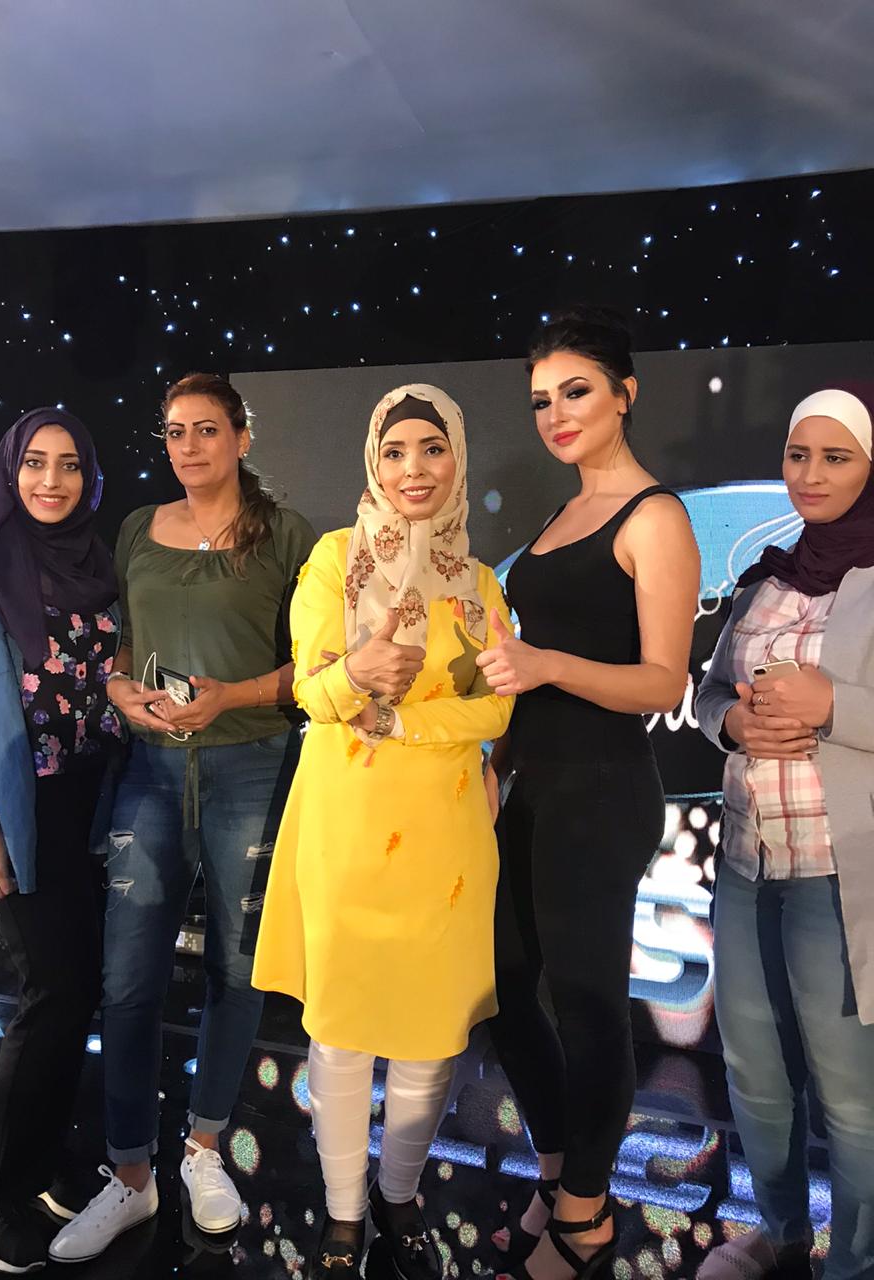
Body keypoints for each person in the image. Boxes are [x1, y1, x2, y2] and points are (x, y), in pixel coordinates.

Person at [49, 373, 315, 1263]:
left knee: (239, 971)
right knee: (128, 979)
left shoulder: (289, 536)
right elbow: (123, 644)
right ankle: (131, 1176)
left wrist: (231, 695)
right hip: (152, 775)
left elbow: (318, 665)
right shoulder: (136, 528)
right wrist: (121, 686)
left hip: (254, 767)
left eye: (206, 429)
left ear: (242, 436)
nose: (189, 446)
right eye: (174, 431)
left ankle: (203, 1149)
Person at [252, 383, 514, 1279]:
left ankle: (399, 1196)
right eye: (395, 450)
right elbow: (310, 692)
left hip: (445, 839)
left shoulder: (479, 584)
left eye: (432, 450)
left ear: (457, 460)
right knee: (342, 1030)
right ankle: (343, 1213)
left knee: (429, 1034)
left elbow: (496, 712)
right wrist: (356, 674)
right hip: (348, 828)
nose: (413, 469)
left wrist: (403, 720)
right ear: (373, 460)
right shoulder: (335, 559)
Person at [477, 306, 699, 1280]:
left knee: (587, 1002)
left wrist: (546, 663)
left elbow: (662, 681)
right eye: (541, 400)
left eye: (576, 391)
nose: (557, 414)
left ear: (625, 394)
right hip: (531, 784)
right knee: (500, 991)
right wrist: (497, 760)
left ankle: (586, 1215)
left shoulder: (655, 516)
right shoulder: (561, 514)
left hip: (602, 791)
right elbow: (525, 666)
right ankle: (561, 1166)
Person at [0, 408, 123, 1274]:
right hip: (16, 808)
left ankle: (39, 1169)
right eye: (35, 463)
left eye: (69, 464)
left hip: (89, 803)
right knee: (52, 989)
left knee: (77, 994)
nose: (52, 480)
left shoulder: (96, 563)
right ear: (10, 471)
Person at [695, 389, 874, 1280]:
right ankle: (780, 1233)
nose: (811, 474)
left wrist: (832, 702)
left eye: (836, 458)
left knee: (850, 1094)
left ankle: (854, 1261)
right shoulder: (767, 575)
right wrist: (731, 722)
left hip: (839, 874)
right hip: (745, 865)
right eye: (799, 455)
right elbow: (707, 694)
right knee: (756, 1076)